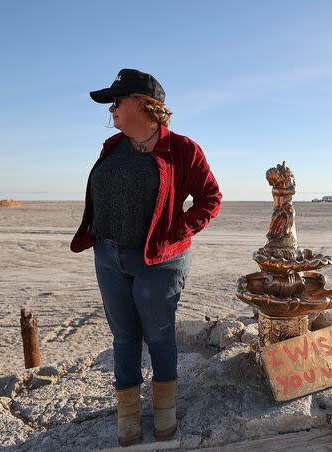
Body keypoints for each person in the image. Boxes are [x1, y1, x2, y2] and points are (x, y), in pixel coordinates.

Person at [71, 69, 222, 446]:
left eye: (117, 102)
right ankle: (129, 418)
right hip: (108, 256)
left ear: (143, 105)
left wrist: (177, 232)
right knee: (123, 337)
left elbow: (210, 199)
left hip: (159, 261)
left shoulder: (184, 150)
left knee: (158, 334)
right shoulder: (112, 146)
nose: (112, 110)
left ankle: (165, 415)